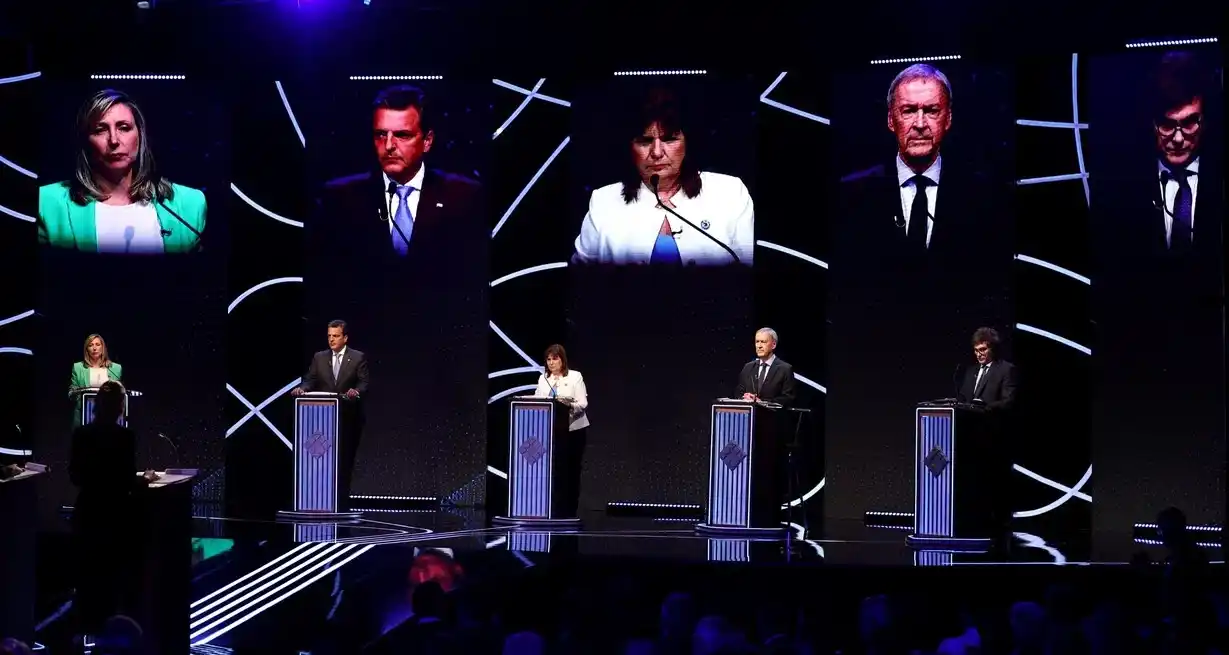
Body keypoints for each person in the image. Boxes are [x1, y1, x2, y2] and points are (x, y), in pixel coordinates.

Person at [572, 86, 754, 266]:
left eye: (669, 139)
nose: (657, 152)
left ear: (687, 144)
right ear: (630, 148)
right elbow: (579, 280)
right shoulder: (603, 200)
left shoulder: (730, 192)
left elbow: (749, 274)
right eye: (645, 141)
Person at [314, 84, 483, 259]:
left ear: (427, 141)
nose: (388, 146)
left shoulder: (463, 196)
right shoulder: (339, 198)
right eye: (380, 134)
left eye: (402, 135)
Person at [38, 89, 206, 254]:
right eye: (99, 130)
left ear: (140, 137)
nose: (113, 140)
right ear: (85, 143)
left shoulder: (189, 204)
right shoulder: (46, 203)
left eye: (124, 128)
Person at [68, 381, 158, 635]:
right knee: (112, 585)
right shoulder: (124, 437)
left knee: (89, 585)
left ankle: (88, 638)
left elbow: (75, 475)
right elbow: (126, 480)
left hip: (88, 516)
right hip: (115, 520)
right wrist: (146, 479)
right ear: (119, 406)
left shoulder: (81, 435)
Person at [292, 320, 370, 508]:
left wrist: (355, 392)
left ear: (345, 338)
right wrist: (303, 389)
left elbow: (363, 383)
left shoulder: (358, 357)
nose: (331, 340)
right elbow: (310, 379)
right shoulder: (319, 357)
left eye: (335, 336)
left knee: (344, 461)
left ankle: (341, 502)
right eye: (329, 336)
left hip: (348, 419)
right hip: (323, 420)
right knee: (322, 459)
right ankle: (319, 501)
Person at [533, 344, 588, 517]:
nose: (551, 362)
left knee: (571, 470)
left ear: (562, 360)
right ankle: (553, 508)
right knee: (555, 470)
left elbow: (582, 404)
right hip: (550, 433)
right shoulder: (543, 379)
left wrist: (567, 405)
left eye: (555, 358)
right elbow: (537, 401)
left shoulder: (575, 377)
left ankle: (570, 509)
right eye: (548, 359)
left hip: (573, 431)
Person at [69, 334, 123, 428]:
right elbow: (71, 394)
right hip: (84, 416)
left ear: (103, 347)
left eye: (97, 344)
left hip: (110, 419)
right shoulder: (78, 368)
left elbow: (118, 394)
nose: (94, 348)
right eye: (90, 345)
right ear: (87, 349)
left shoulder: (115, 368)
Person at [956, 327, 1017, 410]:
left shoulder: (1006, 369)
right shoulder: (970, 371)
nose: (978, 354)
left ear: (993, 349)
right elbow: (963, 398)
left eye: (982, 349)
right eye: (976, 350)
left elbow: (1008, 401)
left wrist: (984, 407)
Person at [734, 328, 796, 407]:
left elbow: (788, 398)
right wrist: (744, 398)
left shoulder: (785, 369)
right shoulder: (748, 367)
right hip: (750, 416)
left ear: (773, 345)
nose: (759, 346)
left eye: (763, 342)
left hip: (773, 417)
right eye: (757, 342)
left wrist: (762, 402)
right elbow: (738, 392)